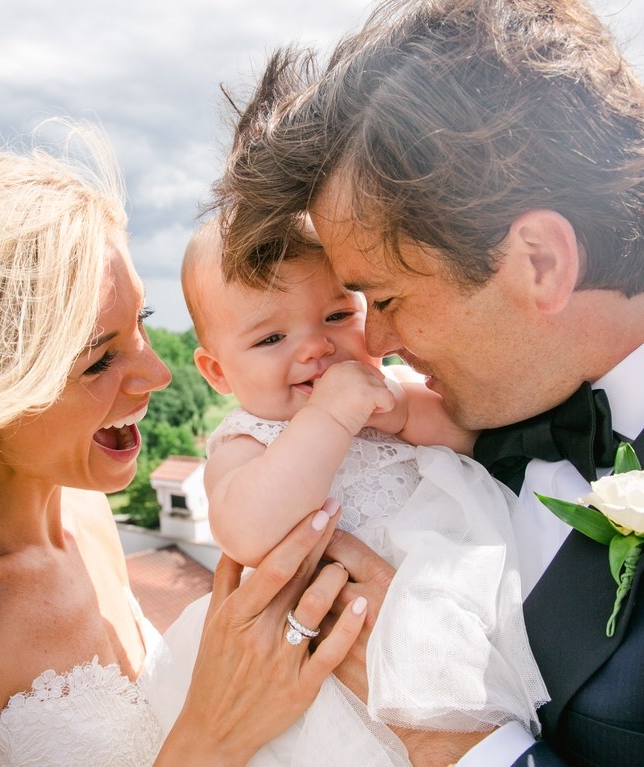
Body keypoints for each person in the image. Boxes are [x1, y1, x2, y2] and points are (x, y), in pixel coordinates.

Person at [212, 1, 644, 765]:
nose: (371, 343)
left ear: (538, 262)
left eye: (383, 299)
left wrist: (459, 743)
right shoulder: (449, 417)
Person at [0, 122, 372, 767]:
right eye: (98, 361)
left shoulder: (84, 518)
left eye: (142, 323)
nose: (159, 375)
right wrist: (218, 734)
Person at [146, 216, 547, 766]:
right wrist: (329, 418)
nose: (315, 347)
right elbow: (244, 531)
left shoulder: (392, 393)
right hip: (329, 668)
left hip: (458, 608)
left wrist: (404, 410)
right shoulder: (249, 440)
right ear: (218, 372)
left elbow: (470, 437)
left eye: (337, 316)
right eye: (270, 338)